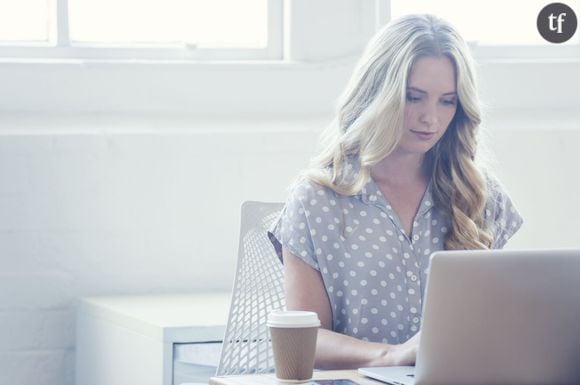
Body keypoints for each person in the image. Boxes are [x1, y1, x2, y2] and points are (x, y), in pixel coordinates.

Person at [268, 14, 523, 370]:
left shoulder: (479, 195)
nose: (430, 118)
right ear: (379, 94)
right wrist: (389, 356)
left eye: (447, 101)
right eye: (414, 97)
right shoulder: (318, 200)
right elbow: (305, 339)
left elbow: (497, 322)